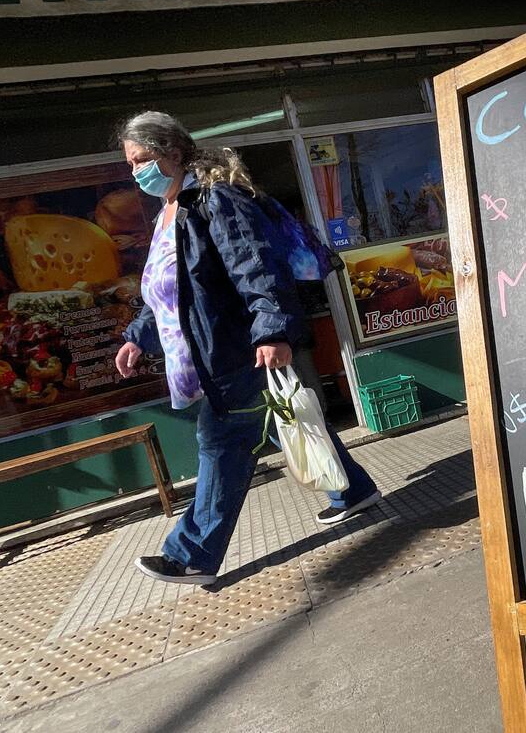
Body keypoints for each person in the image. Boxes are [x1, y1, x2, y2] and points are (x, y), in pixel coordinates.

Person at [115, 111, 381, 586]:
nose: (136, 172)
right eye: (131, 164)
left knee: (222, 444)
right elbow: (169, 290)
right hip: (216, 353)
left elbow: (254, 266)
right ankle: (353, 490)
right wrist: (138, 336)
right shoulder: (170, 212)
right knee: (285, 422)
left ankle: (191, 554)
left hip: (236, 351)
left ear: (172, 154)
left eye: (142, 160)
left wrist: (273, 330)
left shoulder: (215, 199)